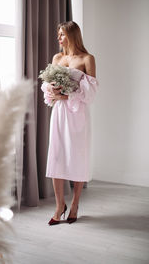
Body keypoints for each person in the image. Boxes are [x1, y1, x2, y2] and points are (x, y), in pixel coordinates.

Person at [41, 21, 99, 225]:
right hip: (59, 114)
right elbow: (46, 86)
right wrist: (52, 91)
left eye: (62, 34)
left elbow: (91, 94)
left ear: (73, 35)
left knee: (77, 157)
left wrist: (67, 95)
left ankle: (74, 204)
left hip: (78, 115)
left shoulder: (87, 58)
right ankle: (59, 205)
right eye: (58, 34)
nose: (59, 38)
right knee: (56, 156)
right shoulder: (57, 58)